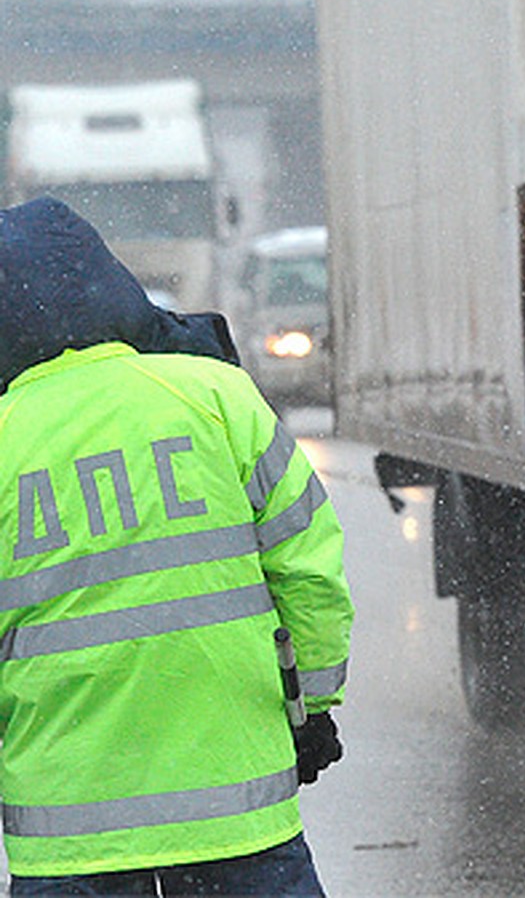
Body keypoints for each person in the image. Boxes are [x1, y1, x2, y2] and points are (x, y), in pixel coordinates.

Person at [0, 196, 354, 896]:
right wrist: (312, 707)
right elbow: (308, 570)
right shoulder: (216, 396)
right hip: (237, 811)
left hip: (70, 832)